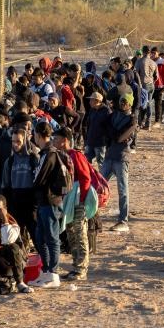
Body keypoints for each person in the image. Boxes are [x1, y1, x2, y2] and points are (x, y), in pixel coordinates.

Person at [29, 121, 68, 289]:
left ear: (38, 135)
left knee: (51, 238)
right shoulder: (49, 153)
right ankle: (46, 272)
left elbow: (37, 179)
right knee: (41, 238)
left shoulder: (49, 154)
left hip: (50, 202)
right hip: (46, 201)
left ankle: (53, 273)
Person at [52, 127, 92, 281]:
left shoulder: (75, 155)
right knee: (71, 233)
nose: (54, 141)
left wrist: (81, 200)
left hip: (78, 200)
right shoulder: (61, 155)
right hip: (68, 200)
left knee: (79, 232)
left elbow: (85, 178)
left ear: (65, 141)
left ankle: (81, 269)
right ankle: (76, 266)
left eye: (57, 139)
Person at [103, 93, 136, 232]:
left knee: (122, 191)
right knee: (98, 186)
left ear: (130, 104)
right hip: (109, 156)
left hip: (122, 159)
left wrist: (114, 134)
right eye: (121, 101)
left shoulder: (132, 121)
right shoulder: (113, 116)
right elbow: (106, 130)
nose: (122, 104)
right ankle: (91, 215)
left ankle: (123, 220)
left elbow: (121, 137)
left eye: (125, 102)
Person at [82, 92, 111, 164]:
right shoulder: (92, 110)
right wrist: (86, 139)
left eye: (91, 100)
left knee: (101, 162)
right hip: (90, 141)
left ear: (97, 101)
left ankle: (102, 176)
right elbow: (88, 125)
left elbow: (109, 128)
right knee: (86, 161)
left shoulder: (106, 111)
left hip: (100, 143)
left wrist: (107, 141)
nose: (89, 102)